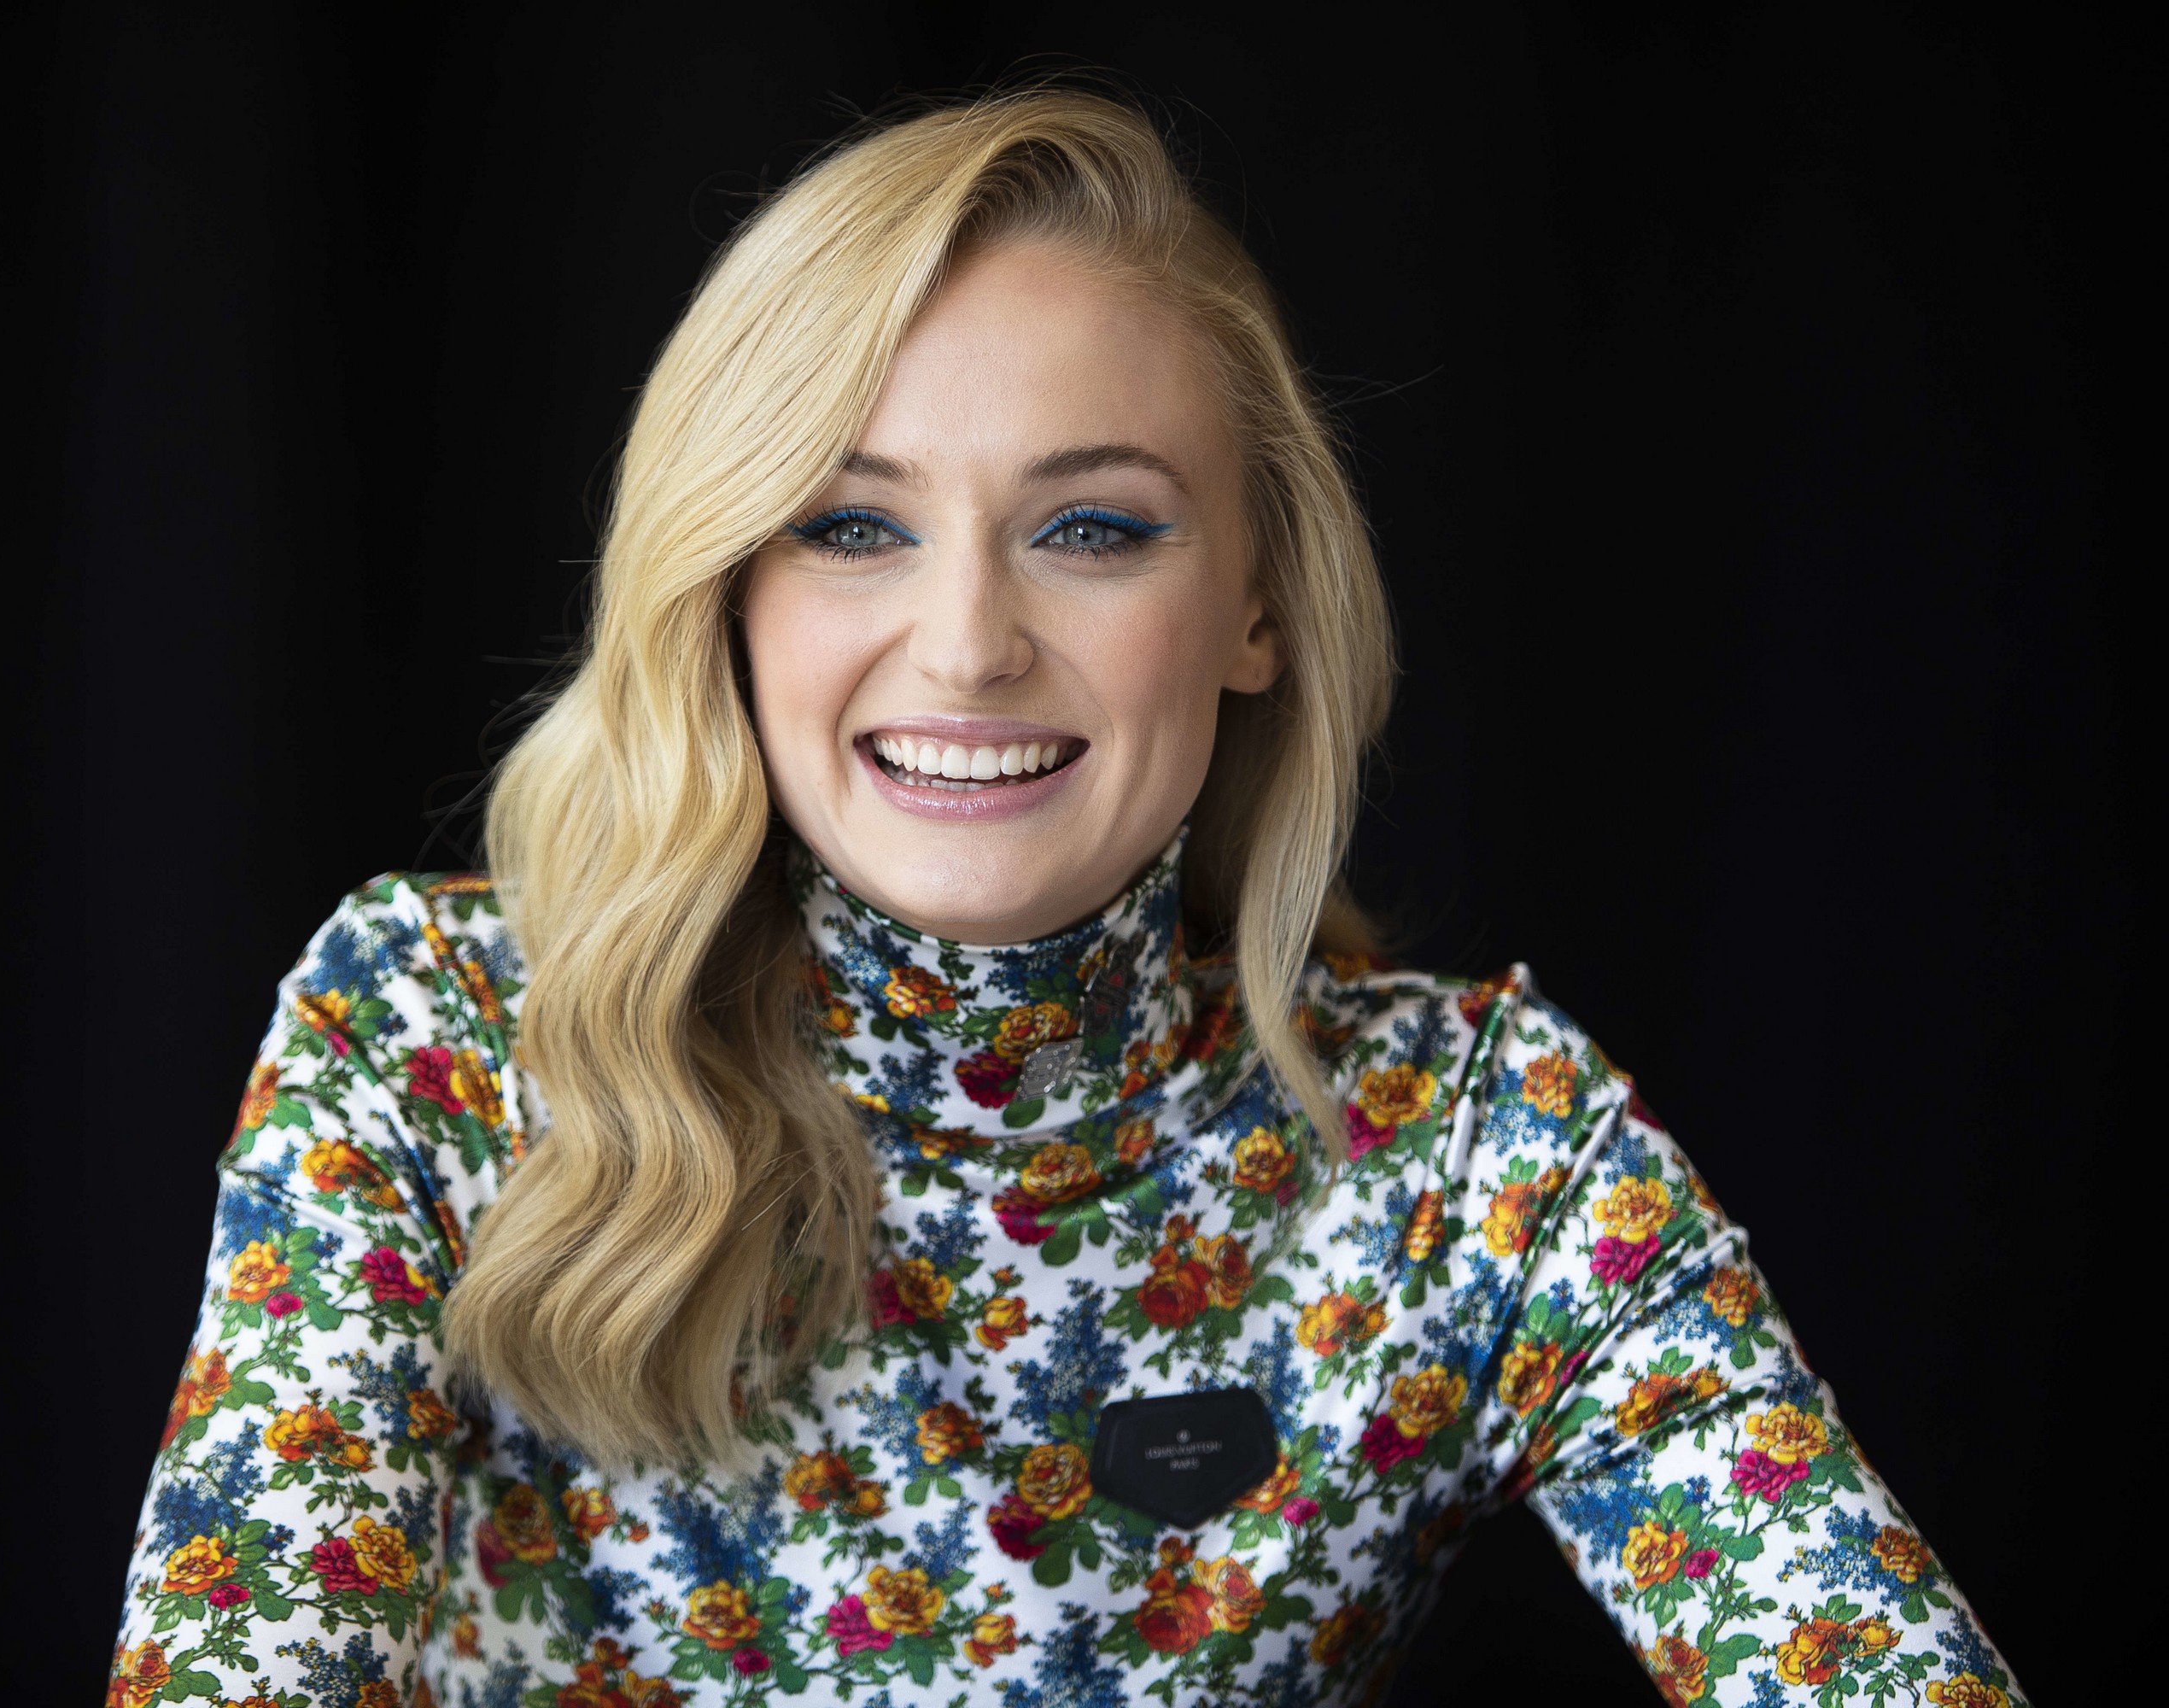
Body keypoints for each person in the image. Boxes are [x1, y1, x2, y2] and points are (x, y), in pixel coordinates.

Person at [109, 91, 2021, 1708]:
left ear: (1256, 606)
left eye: (1091, 528)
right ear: (727, 593)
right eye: (851, 524)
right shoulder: (435, 1038)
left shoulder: (1476, 1155)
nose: (967, 644)